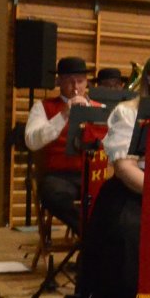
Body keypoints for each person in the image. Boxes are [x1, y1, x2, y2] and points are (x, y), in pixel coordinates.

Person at [72, 49, 150, 298]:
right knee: (130, 230)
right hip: (135, 190)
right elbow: (124, 168)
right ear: (149, 79)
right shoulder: (127, 113)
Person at [25, 56, 102, 235]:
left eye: (80, 81)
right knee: (53, 195)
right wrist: (64, 115)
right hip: (60, 176)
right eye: (69, 81)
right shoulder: (43, 107)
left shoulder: (99, 108)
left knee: (117, 195)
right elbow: (31, 141)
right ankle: (90, 235)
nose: (76, 86)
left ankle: (91, 240)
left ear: (87, 82)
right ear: (59, 81)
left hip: (93, 173)